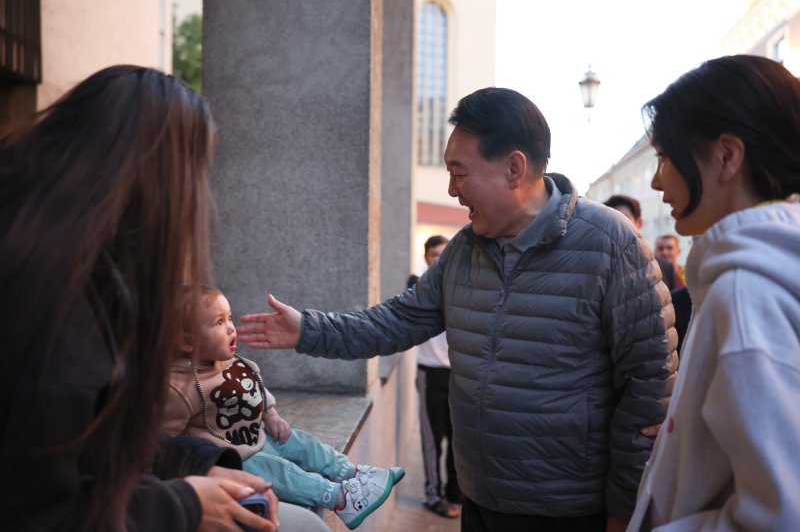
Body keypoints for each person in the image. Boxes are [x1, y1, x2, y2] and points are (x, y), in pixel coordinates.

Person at [238, 87, 678, 531]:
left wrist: (624, 510)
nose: (451, 190)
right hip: (481, 498)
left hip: (568, 509)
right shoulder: (466, 250)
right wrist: (308, 329)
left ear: (514, 168)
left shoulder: (610, 243)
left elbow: (648, 392)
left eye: (459, 172)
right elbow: (400, 319)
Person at [0, 65, 312, 532]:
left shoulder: (87, 276)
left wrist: (199, 464)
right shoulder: (50, 302)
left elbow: (97, 448)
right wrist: (183, 504)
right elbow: (40, 505)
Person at [627, 54, 800, 530]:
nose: (658, 180)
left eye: (665, 156)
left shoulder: (746, 291)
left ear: (727, 156)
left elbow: (780, 514)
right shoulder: (762, 269)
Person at [163, 285, 405, 530]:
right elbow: (166, 442)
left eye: (230, 318)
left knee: (302, 442)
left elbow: (255, 389)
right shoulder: (179, 388)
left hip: (259, 435)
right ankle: (341, 499)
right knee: (282, 473)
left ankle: (352, 474)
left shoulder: (229, 361)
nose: (230, 328)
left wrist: (271, 415)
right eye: (218, 322)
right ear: (186, 340)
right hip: (237, 459)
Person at [407, 235, 461, 519]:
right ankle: (432, 495)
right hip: (430, 374)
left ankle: (455, 491)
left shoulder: (460, 283)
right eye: (434, 254)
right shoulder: (420, 284)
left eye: (444, 253)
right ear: (427, 257)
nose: (439, 259)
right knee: (432, 440)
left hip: (457, 374)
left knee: (457, 438)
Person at [603, 194, 677, 291]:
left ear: (639, 222)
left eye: (624, 218)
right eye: (612, 219)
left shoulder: (664, 267)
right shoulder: (599, 266)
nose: (618, 225)